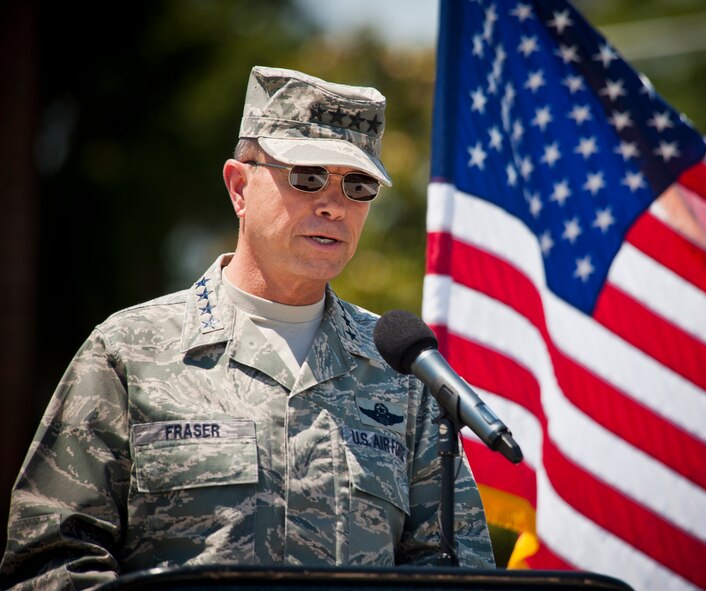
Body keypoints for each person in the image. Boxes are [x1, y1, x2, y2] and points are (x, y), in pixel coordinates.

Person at [0, 66, 495, 590]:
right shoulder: (130, 353)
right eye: (306, 178)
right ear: (239, 187)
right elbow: (52, 562)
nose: (333, 205)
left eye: (358, 185)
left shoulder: (400, 374)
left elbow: (455, 575)